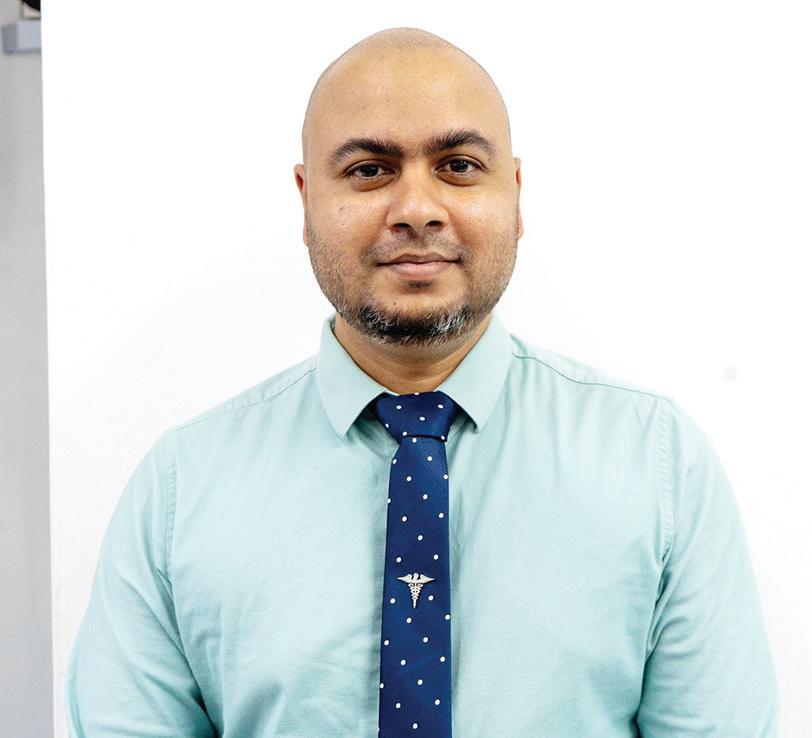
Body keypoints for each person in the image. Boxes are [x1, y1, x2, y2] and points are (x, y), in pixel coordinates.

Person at [65, 26, 779, 737]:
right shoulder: (182, 489)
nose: (416, 209)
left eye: (458, 165)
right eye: (369, 170)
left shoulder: (657, 464)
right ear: (306, 201)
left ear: (516, 195)